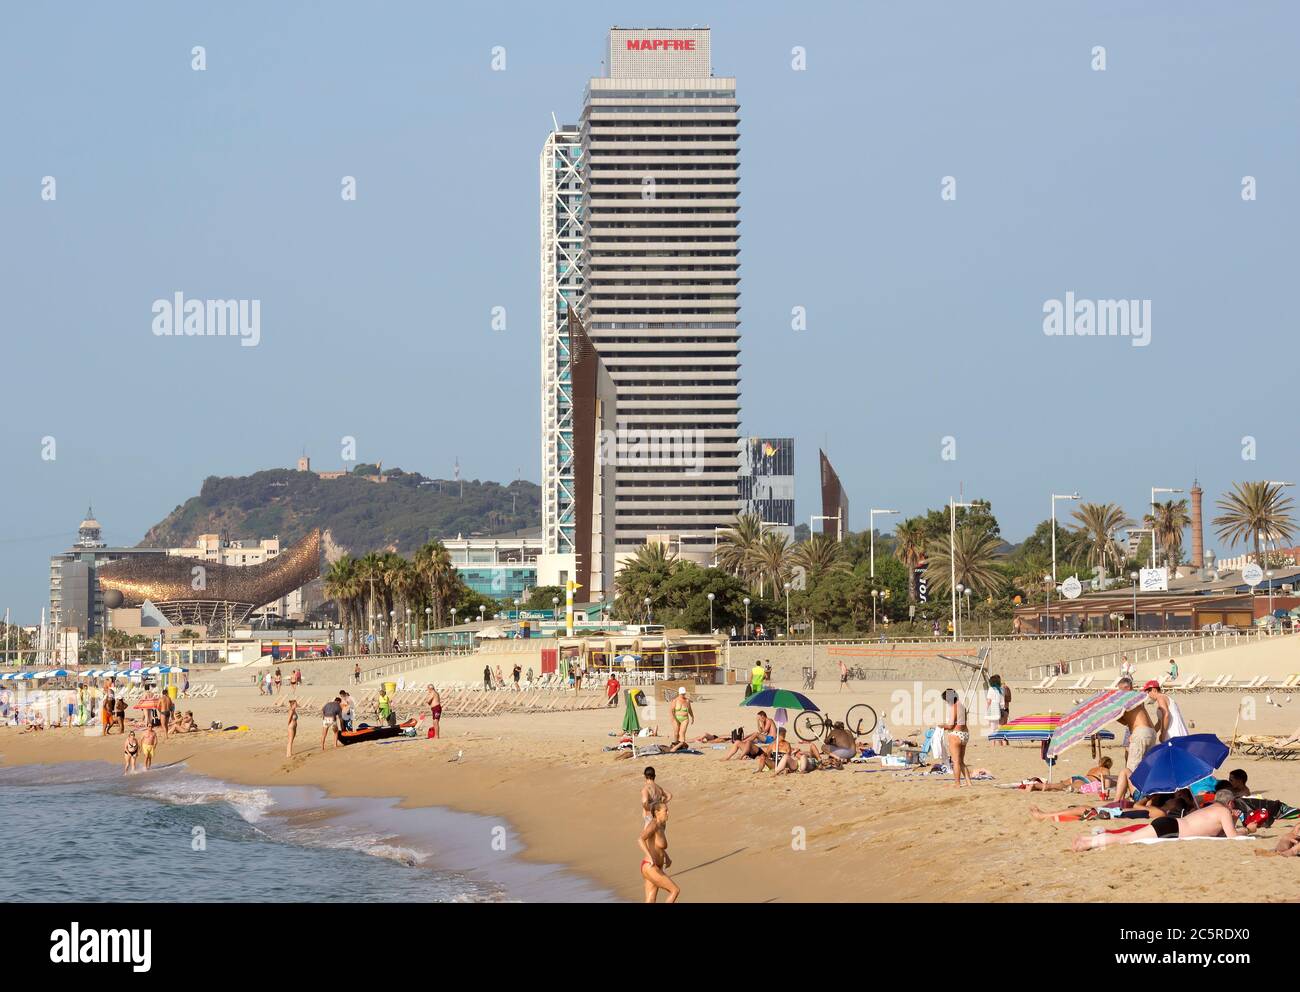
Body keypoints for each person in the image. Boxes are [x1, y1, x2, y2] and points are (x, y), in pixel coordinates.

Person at [1072, 790, 1247, 851]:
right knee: (1125, 840)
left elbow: (1216, 832)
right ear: (1230, 803)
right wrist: (1248, 829)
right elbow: (1232, 837)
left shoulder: (1210, 808)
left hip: (1170, 824)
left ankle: (1087, 840)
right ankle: (1087, 844)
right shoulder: (1224, 811)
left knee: (1128, 834)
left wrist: (1231, 821)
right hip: (1172, 829)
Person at [639, 801, 679, 903]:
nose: (668, 813)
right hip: (650, 866)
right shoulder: (654, 824)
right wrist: (650, 856)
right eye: (665, 811)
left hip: (654, 866)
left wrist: (667, 857)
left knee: (651, 899)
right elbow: (640, 839)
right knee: (674, 890)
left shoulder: (662, 825)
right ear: (657, 812)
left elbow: (658, 845)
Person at [941, 688, 970, 787]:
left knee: (955, 761)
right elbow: (962, 722)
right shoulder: (962, 706)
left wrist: (941, 726)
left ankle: (957, 783)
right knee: (961, 761)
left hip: (956, 735)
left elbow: (950, 725)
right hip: (965, 734)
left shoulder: (954, 707)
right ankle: (969, 782)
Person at [986, 675, 1006, 744]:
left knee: (993, 728)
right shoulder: (1002, 689)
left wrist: (987, 710)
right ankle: (1003, 743)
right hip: (1001, 709)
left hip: (993, 709)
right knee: (1000, 728)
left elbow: (989, 701)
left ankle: (993, 743)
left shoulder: (991, 689)